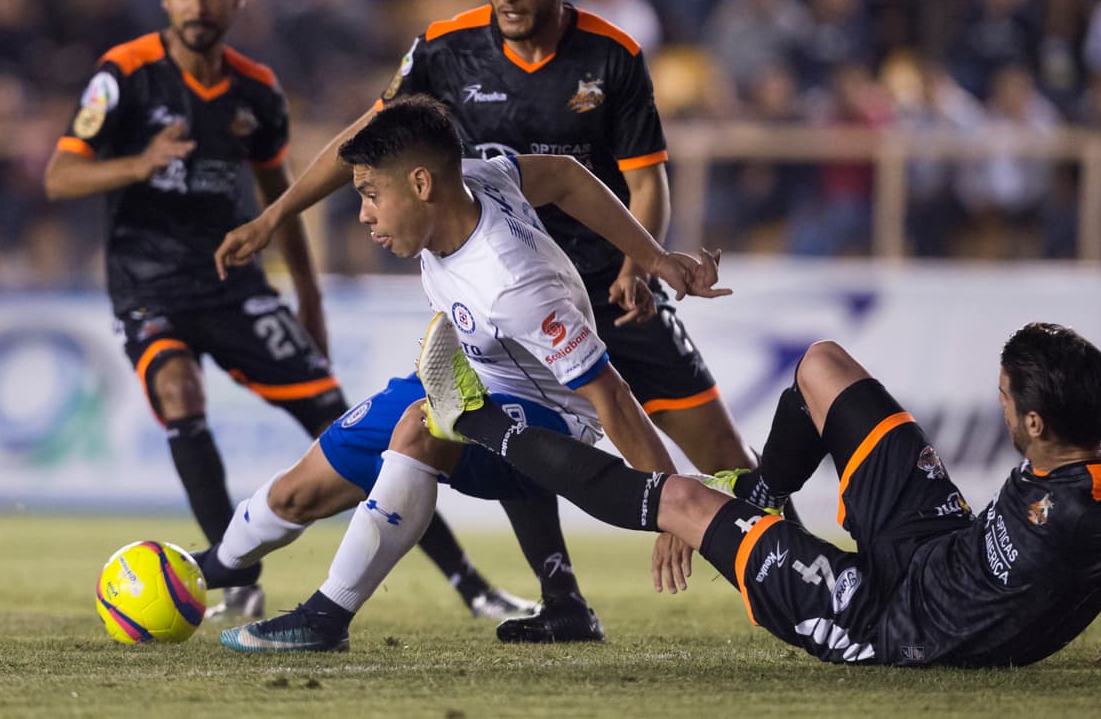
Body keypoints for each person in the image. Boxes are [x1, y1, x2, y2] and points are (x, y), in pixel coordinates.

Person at [213, 0, 761, 639]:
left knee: (716, 451)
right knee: (363, 453)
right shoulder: (451, 68)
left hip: (592, 286)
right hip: (491, 282)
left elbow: (637, 177)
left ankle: (791, 577)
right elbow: (380, 141)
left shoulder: (611, 56)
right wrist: (276, 215)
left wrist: (645, 257)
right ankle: (216, 566)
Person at [42, 0, 531, 623]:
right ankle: (236, 577)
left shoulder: (256, 90)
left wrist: (307, 295)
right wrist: (138, 163)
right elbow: (60, 175)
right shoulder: (122, 75)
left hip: (235, 285)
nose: (198, 4)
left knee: (357, 429)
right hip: (148, 284)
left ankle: (470, 583)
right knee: (178, 389)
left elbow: (282, 196)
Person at [213, 94, 726, 653]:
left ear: (421, 185)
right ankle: (206, 568)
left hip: (553, 423)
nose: (363, 215)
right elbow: (564, 175)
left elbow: (612, 397)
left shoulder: (514, 286)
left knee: (423, 423)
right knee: (298, 492)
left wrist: (671, 504)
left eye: (369, 195)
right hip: (477, 372)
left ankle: (324, 618)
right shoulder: (477, 178)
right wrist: (653, 257)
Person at [419, 320, 1101, 666]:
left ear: (1037, 419)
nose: (1001, 405)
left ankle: (475, 418)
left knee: (683, 502)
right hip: (939, 550)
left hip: (897, 623)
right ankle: (765, 501)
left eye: (1006, 397)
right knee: (821, 366)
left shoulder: (1085, 511)